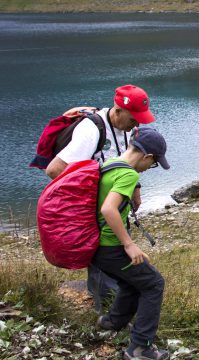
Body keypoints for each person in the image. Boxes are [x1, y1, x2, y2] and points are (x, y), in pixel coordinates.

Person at [46, 85, 156, 313]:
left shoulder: (126, 129)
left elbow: (126, 160)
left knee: (113, 257)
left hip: (112, 208)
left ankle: (111, 311)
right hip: (96, 212)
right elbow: (55, 170)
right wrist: (94, 200)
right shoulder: (91, 131)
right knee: (103, 258)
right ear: (117, 111)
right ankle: (105, 314)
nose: (137, 124)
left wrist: (134, 188)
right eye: (134, 119)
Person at [93, 127, 170, 360]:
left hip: (96, 247)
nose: (149, 168)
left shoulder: (111, 163)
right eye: (154, 163)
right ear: (147, 156)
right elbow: (108, 209)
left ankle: (112, 321)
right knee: (153, 284)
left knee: (131, 282)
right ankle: (140, 349)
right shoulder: (129, 174)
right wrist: (128, 244)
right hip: (111, 247)